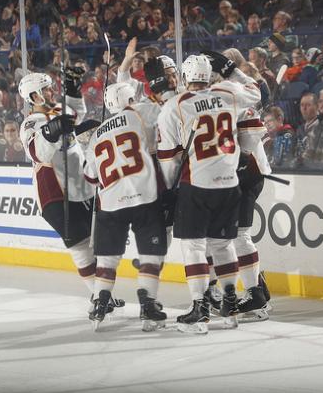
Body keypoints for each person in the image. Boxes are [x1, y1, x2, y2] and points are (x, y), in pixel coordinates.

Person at [157, 53, 264, 334]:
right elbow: (256, 91)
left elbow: (169, 157)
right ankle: (230, 304)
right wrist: (234, 72)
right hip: (229, 184)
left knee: (193, 246)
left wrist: (169, 188)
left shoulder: (175, 105)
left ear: (184, 77)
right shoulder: (228, 91)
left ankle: (200, 309)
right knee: (222, 244)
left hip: (198, 183)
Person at [18, 72, 124, 317]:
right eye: (45, 89)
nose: (51, 91)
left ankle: (103, 294)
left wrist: (74, 90)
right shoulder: (30, 123)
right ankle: (99, 297)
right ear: (33, 96)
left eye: (51, 87)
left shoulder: (56, 109)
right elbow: (38, 153)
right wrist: (50, 132)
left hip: (82, 187)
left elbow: (76, 113)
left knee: (98, 242)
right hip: (56, 194)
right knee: (80, 247)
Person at [83, 83, 168, 331]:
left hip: (110, 203)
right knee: (151, 257)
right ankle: (148, 304)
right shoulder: (141, 111)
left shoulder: (97, 135)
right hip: (144, 196)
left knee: (107, 261)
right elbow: (164, 120)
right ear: (131, 97)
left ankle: (100, 302)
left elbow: (90, 176)